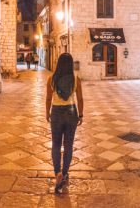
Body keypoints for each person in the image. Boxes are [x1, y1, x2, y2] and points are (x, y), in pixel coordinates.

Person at [46, 53, 84, 194]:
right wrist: (80, 114)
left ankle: (57, 173)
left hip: (56, 112)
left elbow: (48, 99)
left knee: (56, 144)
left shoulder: (52, 79)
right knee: (68, 144)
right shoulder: (76, 80)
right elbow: (80, 99)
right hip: (70, 112)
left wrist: (47, 113)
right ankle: (65, 172)